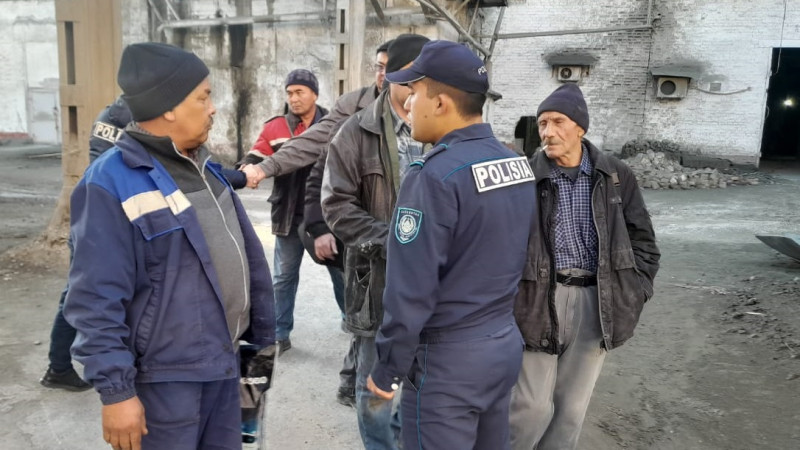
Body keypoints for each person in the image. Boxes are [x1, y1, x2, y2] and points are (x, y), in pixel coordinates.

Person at [63, 42, 275, 450]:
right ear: (169, 107)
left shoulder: (205, 169)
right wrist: (117, 393)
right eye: (204, 97)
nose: (213, 108)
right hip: (166, 380)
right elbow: (94, 298)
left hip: (224, 363)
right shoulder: (109, 183)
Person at [365, 40, 537, 450]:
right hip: (501, 345)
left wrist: (387, 369)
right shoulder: (515, 164)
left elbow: (410, 290)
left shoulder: (433, 177)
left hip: (449, 363)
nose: (407, 104)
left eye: (415, 92)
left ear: (441, 103)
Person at [508, 83, 660, 450]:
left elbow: (643, 241)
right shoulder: (527, 176)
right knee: (528, 407)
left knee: (570, 412)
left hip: (597, 300)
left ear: (580, 128)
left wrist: (636, 291)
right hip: (538, 299)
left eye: (557, 121)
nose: (547, 131)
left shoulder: (615, 176)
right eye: (542, 123)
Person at [321, 33, 430, 450]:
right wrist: (395, 241)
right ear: (395, 79)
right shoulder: (355, 133)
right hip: (377, 281)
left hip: (432, 282)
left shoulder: (440, 126)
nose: (423, 93)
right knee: (376, 384)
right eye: (415, 82)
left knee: (421, 378)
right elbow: (336, 205)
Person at [39, 96, 131, 392]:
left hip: (96, 212)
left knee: (81, 293)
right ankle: (59, 367)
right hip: (102, 216)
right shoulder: (129, 115)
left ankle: (60, 366)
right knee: (80, 294)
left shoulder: (112, 111)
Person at [238, 69, 334, 354]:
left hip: (324, 216)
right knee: (283, 277)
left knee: (340, 274)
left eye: (299, 92)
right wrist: (245, 170)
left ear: (314, 94)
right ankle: (280, 333)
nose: (293, 98)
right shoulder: (275, 127)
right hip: (288, 214)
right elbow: (256, 155)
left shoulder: (332, 124)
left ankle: (350, 319)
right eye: (289, 93)